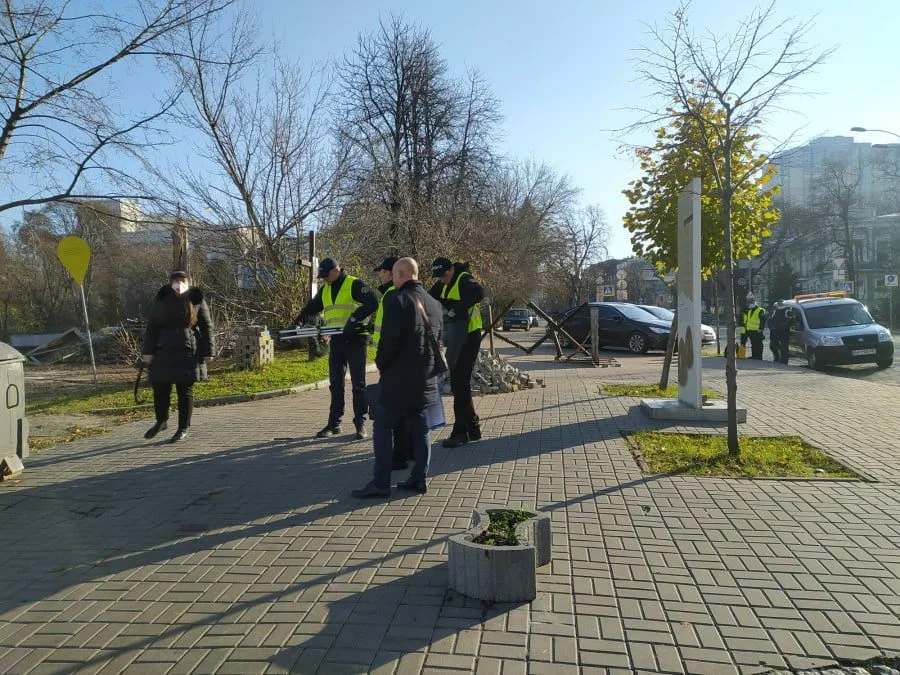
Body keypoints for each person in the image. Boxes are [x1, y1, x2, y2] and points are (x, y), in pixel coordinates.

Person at [352, 257, 443, 498]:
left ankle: (381, 483)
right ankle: (419, 479)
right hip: (426, 379)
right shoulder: (434, 302)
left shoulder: (396, 299)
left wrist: (381, 364)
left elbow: (389, 342)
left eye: (393, 274)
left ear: (400, 274)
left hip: (398, 381)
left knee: (382, 426)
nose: (391, 279)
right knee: (421, 430)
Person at [295, 258, 378, 439]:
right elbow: (312, 307)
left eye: (327, 275)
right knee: (336, 383)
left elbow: (372, 302)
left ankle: (360, 424)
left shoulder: (354, 284)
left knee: (358, 384)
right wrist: (298, 321)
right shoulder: (326, 289)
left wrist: (355, 318)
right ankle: (334, 424)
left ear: (336, 270)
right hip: (337, 341)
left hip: (356, 339)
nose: (325, 279)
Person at [142, 270, 214, 443]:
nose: (178, 284)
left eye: (182, 280)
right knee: (160, 389)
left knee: (185, 391)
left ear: (188, 282)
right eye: (175, 280)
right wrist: (148, 352)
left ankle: (183, 427)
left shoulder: (196, 298)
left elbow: (206, 326)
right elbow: (151, 327)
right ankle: (161, 421)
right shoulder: (161, 297)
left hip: (188, 350)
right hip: (162, 350)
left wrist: (208, 351)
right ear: (170, 282)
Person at [429, 257, 484, 448]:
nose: (442, 279)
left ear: (451, 269)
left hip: (469, 336)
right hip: (456, 338)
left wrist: (455, 309)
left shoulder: (463, 278)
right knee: (459, 383)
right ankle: (472, 427)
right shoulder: (442, 284)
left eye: (444, 275)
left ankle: (460, 432)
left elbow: (478, 293)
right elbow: (429, 298)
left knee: (459, 382)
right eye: (438, 276)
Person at [373, 255, 411, 470]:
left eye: (381, 271)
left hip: (391, 362)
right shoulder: (393, 294)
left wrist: (382, 360)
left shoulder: (391, 295)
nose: (379, 275)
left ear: (391, 273)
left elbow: (390, 334)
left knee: (394, 413)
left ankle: (398, 455)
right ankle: (405, 452)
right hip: (395, 361)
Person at [739, 293, 766, 360]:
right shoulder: (749, 310)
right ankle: (753, 356)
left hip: (757, 330)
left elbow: (763, 319)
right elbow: (747, 320)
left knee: (758, 344)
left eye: (751, 302)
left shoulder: (760, 310)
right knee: (752, 343)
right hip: (749, 329)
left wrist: (761, 328)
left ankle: (759, 357)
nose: (750, 304)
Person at [768, 300, 791, 364]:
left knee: (784, 348)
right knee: (772, 346)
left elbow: (790, 320)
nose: (780, 306)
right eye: (779, 304)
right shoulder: (774, 312)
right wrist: (772, 327)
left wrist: (784, 326)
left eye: (781, 304)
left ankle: (784, 362)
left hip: (784, 332)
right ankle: (777, 357)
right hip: (775, 331)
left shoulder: (787, 311)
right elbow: (769, 320)